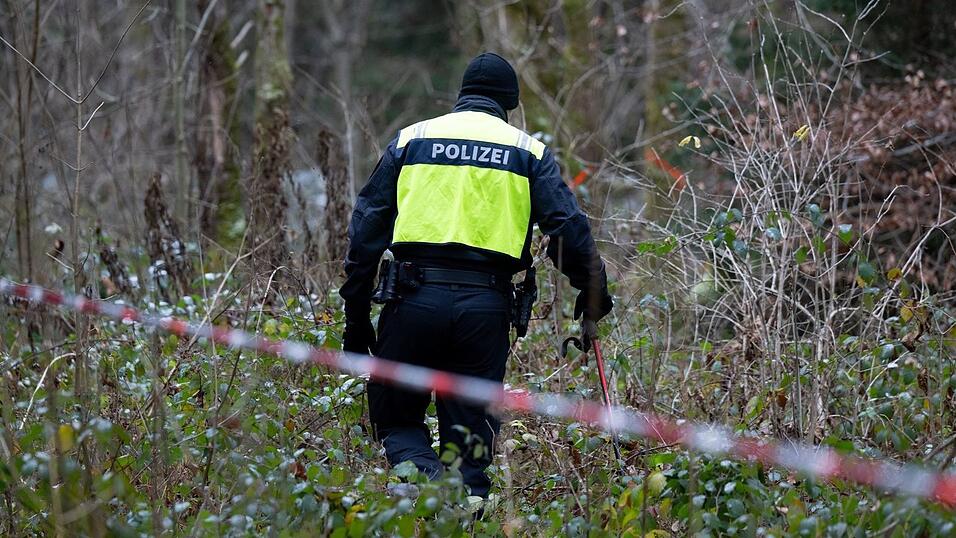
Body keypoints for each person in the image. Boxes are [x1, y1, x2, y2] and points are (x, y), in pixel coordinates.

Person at [340, 52, 613, 499]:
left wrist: (356, 318)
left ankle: (424, 492)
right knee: (469, 444)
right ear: (510, 103)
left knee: (398, 422)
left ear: (461, 96)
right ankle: (463, 511)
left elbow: (365, 231)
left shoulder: (412, 139)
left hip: (411, 301)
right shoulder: (529, 152)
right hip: (485, 310)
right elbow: (566, 226)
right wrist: (593, 287)